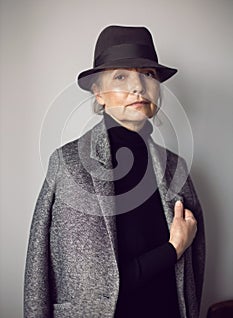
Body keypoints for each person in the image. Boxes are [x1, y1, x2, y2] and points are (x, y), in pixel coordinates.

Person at [24, 25, 205, 318]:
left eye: (148, 74)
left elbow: (192, 276)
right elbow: (43, 275)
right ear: (99, 93)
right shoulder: (68, 164)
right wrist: (172, 249)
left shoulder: (176, 168)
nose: (138, 86)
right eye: (121, 76)